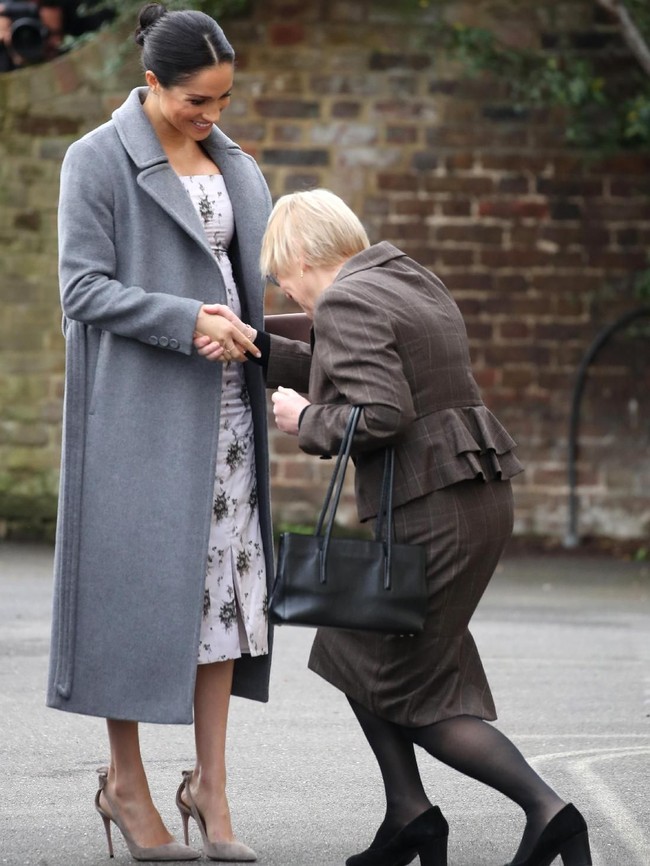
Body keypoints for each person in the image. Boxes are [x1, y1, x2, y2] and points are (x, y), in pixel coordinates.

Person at [195, 189, 592, 866]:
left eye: (278, 274)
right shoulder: (405, 276)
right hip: (471, 495)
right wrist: (262, 349)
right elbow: (346, 365)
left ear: (300, 256)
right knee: (358, 647)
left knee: (413, 692)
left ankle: (550, 813)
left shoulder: (348, 298)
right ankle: (409, 812)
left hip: (430, 506)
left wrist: (302, 422)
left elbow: (380, 412)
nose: (280, 286)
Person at [47, 4, 274, 862]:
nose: (211, 115)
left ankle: (212, 792)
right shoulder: (94, 161)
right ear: (151, 83)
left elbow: (245, 278)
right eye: (195, 101)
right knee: (134, 605)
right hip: (140, 420)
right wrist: (189, 320)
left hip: (228, 420)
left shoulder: (232, 162)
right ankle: (126, 786)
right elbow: (82, 290)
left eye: (222, 99)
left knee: (224, 609)